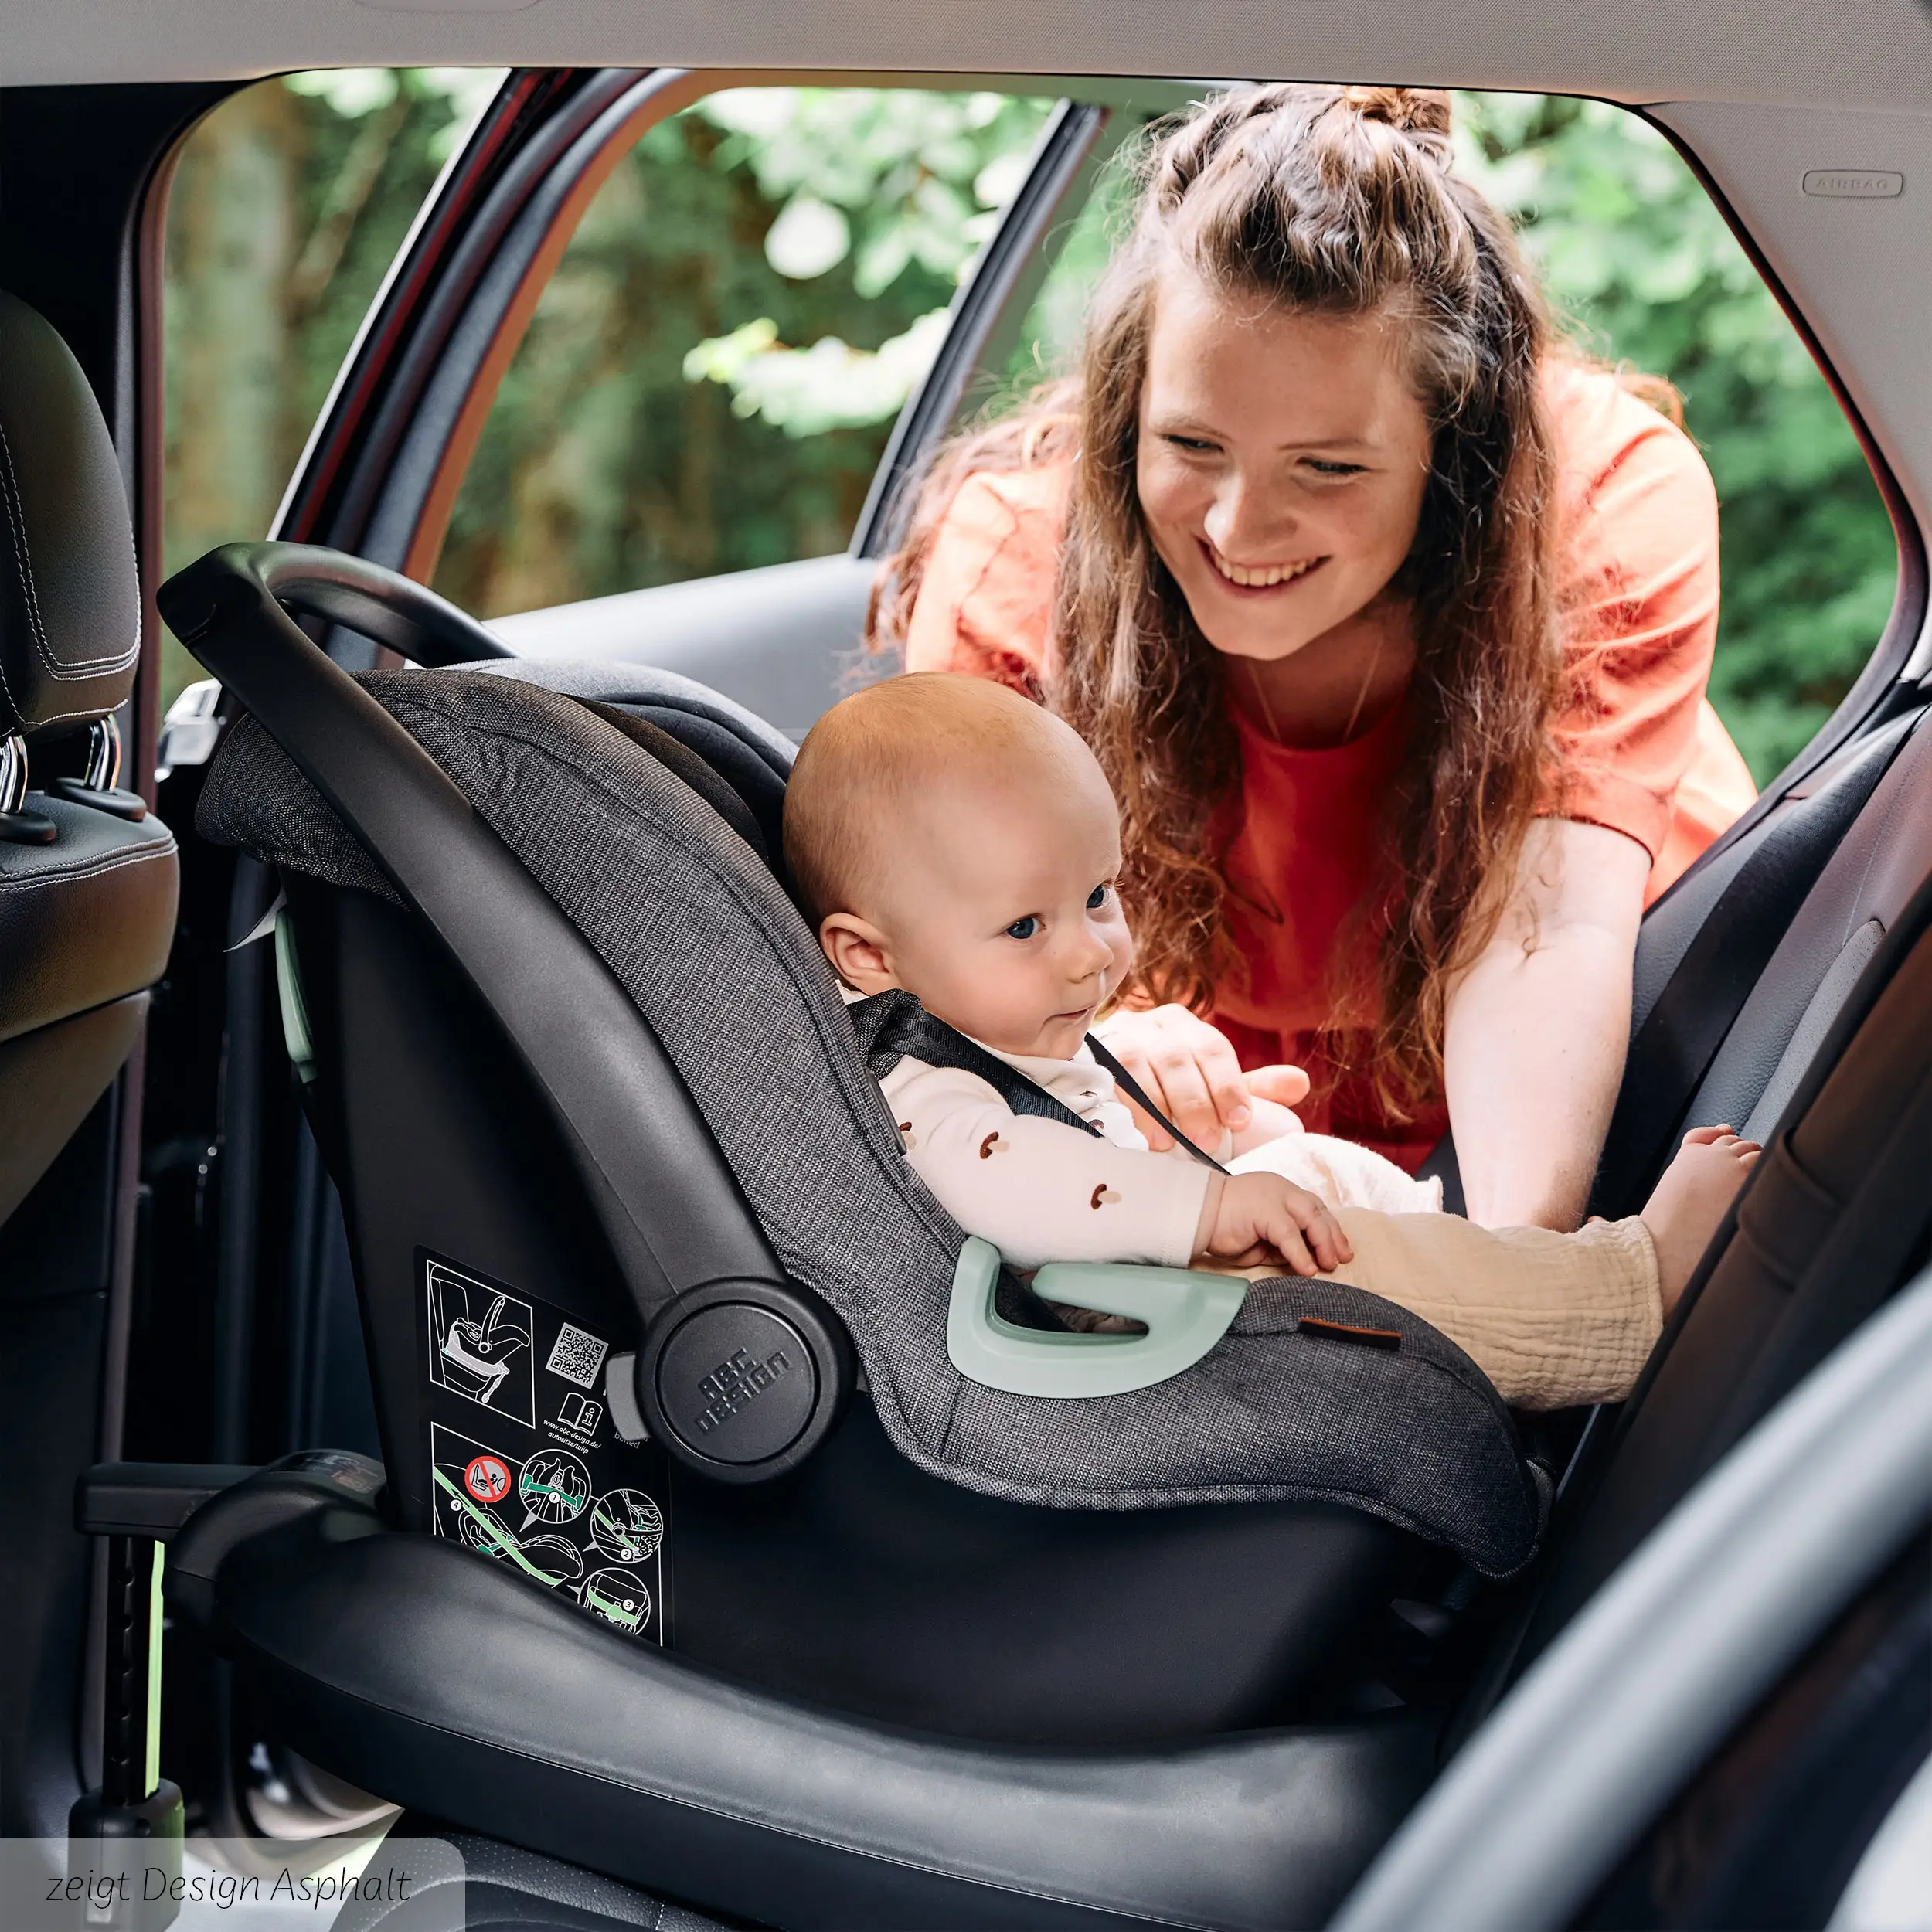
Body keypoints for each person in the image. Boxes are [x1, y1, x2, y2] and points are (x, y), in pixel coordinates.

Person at [869, 83, 1760, 1233]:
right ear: (1126, 407)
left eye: (1327, 469)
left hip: (1595, 1065)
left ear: (1454, 455)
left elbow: (1548, 935)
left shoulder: (1598, 497)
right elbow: (957, 979)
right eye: (1191, 445)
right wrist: (1093, 1044)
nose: (1239, 532)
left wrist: (1511, 1289)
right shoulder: (1017, 560)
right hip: (1234, 1150)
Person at [785, 674, 1759, 1408]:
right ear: (868, 956)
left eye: (1097, 895)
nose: (1092, 957)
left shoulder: (985, 1018)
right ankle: (1632, 1298)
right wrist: (1205, 1201)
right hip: (1111, 1330)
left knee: (1316, 1169)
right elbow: (1007, 1175)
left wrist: (1230, 1161)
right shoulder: (912, 1085)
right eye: (1027, 928)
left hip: (1139, 1280)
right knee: (1348, 1267)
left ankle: (1495, 1273)